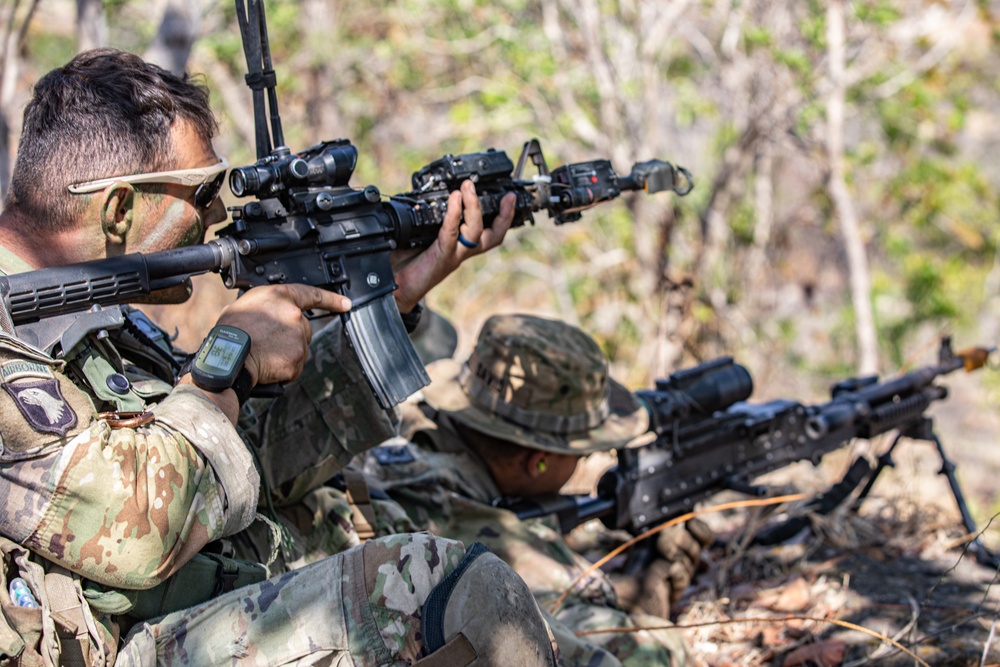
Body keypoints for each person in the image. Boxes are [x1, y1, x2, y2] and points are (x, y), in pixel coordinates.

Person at [0, 48, 555, 666]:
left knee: (353, 521)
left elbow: (242, 465)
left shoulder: (97, 323)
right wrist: (230, 357)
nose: (217, 215)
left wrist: (397, 292)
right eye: (205, 190)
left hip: (177, 611)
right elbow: (137, 534)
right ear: (119, 209)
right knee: (442, 586)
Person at [364, 314, 714, 667]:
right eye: (581, 452)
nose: (585, 459)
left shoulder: (398, 434)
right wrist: (653, 588)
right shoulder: (475, 528)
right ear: (539, 462)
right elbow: (636, 654)